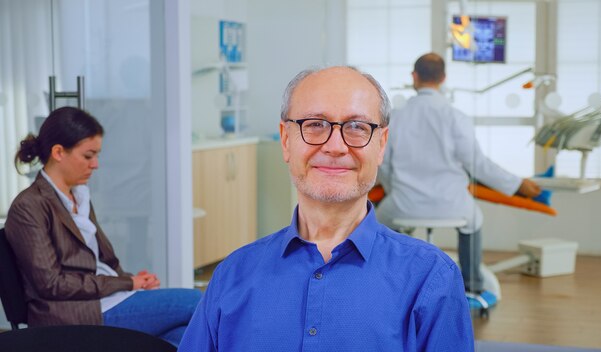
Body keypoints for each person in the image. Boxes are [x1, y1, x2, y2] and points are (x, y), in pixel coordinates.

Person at [179, 66, 474, 351]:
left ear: (381, 144)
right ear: (285, 140)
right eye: (315, 125)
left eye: (357, 127)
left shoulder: (431, 279)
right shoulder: (232, 275)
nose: (335, 146)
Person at [4, 106, 201, 347]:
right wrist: (128, 283)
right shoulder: (30, 206)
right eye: (88, 156)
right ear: (58, 152)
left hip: (108, 298)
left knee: (182, 336)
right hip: (77, 313)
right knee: (196, 302)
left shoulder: (78, 196)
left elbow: (99, 262)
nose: (95, 164)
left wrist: (128, 278)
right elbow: (51, 284)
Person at [377, 53, 541, 308]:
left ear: (414, 77)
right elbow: (478, 165)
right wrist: (519, 185)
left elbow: (383, 165)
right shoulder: (456, 117)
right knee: (474, 220)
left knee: (380, 224)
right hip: (451, 203)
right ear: (443, 78)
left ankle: (389, 285)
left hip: (404, 204)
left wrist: (392, 190)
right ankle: (473, 287)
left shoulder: (395, 117)